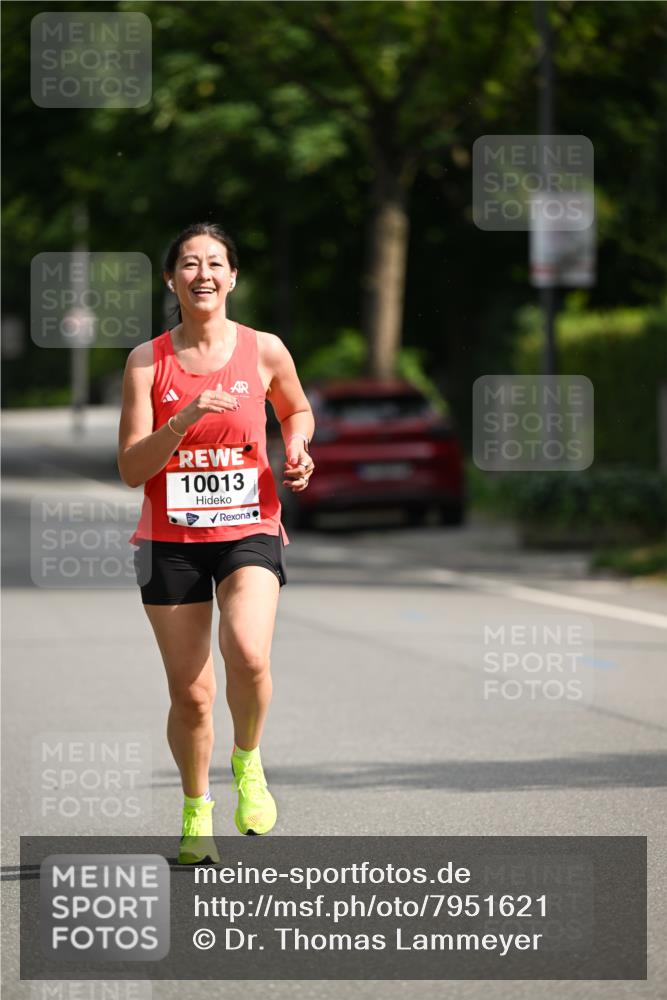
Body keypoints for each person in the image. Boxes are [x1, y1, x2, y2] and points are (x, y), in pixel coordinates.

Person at [118, 222, 315, 864]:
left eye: (216, 263)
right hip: (169, 541)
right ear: (171, 279)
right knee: (192, 694)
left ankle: (248, 761)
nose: (203, 274)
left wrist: (301, 448)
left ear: (232, 277)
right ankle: (196, 808)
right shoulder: (148, 362)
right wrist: (185, 416)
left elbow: (295, 410)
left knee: (249, 654)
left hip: (248, 527)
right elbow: (130, 468)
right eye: (190, 264)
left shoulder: (264, 350)